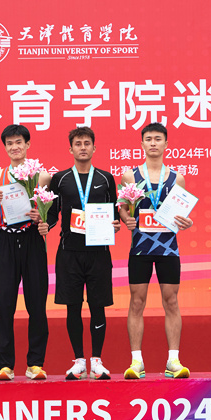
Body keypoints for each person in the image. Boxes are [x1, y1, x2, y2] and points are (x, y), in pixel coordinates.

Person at [39, 126, 120, 380]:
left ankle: (96, 360)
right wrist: (46, 224)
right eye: (78, 144)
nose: (83, 147)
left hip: (99, 253)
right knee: (72, 307)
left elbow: (114, 213)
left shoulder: (106, 178)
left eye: (87, 143)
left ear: (94, 148)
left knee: (98, 306)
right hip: (69, 253)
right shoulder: (60, 179)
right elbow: (53, 213)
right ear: (70, 149)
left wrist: (116, 224)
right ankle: (79, 361)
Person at [119, 122, 193, 379]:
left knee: (171, 301)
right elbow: (122, 207)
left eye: (158, 139)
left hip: (168, 248)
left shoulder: (177, 178)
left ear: (166, 144)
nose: (153, 143)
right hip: (140, 248)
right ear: (142, 144)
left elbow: (181, 213)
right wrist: (125, 218)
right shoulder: (130, 176)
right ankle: (136, 361)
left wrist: (187, 221)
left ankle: (173, 360)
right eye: (148, 139)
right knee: (137, 301)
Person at [0, 124, 51, 381]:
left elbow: (50, 213)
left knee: (37, 304)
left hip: (33, 242)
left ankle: (35, 364)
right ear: (5, 147)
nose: (15, 147)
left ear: (27, 144)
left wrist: (41, 217)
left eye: (19, 142)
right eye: (10, 143)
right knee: (4, 304)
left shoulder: (42, 176)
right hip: (6, 242)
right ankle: (6, 366)